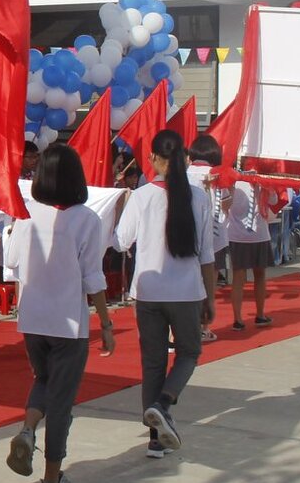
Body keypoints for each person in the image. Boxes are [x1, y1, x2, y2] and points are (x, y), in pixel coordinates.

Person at [2, 143, 115, 483]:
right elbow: (93, 277)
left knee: (43, 379)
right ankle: (52, 480)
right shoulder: (87, 220)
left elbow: (12, 262)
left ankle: (28, 429)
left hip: (32, 317)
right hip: (68, 322)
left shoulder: (25, 215)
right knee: (62, 401)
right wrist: (106, 323)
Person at [113, 130, 215, 458]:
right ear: (184, 158)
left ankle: (155, 439)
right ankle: (164, 402)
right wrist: (210, 297)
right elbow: (208, 254)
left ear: (154, 159)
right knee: (189, 353)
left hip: (149, 291)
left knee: (153, 363)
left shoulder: (141, 196)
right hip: (186, 291)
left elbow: (121, 241)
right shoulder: (199, 196)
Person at [186, 135, 230, 344]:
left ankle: (182, 327)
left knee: (187, 279)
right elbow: (226, 205)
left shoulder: (183, 173)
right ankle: (203, 326)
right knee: (208, 280)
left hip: (186, 233)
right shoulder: (218, 174)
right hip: (212, 234)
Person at [224, 173, 275, 331]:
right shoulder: (256, 180)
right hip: (254, 234)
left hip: (242, 235)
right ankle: (256, 315)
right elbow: (274, 201)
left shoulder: (236, 181)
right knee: (256, 276)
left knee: (240, 277)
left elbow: (227, 204)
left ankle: (241, 318)